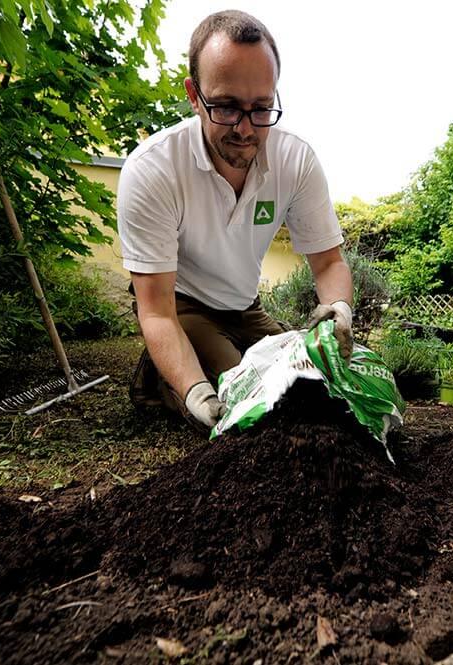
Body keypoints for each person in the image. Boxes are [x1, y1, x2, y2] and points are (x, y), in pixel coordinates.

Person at [116, 10, 354, 430]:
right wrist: (196, 393)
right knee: (248, 401)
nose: (246, 129)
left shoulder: (295, 161)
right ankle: (164, 377)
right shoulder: (153, 170)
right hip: (182, 304)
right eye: (226, 107)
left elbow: (329, 263)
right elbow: (155, 312)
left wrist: (338, 309)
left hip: (246, 307)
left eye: (261, 108)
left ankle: (208, 355)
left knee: (307, 384)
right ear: (194, 95)